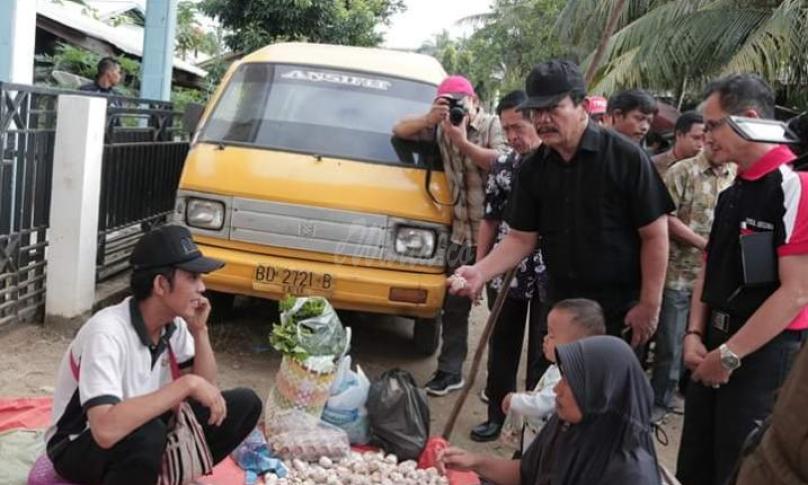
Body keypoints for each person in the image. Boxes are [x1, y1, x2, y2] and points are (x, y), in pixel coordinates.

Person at [452, 60, 674, 350]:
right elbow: (520, 238)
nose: (542, 119)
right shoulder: (533, 169)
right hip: (561, 306)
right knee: (558, 387)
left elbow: (655, 235)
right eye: (536, 111)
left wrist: (649, 305)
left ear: (581, 105)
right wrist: (480, 271)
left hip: (619, 308)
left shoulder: (626, 158)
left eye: (553, 108)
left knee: (605, 392)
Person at [45, 225, 262, 485]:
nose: (202, 287)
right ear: (161, 284)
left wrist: (200, 331)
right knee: (147, 434)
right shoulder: (107, 333)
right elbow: (104, 429)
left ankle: (164, 475)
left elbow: (207, 394)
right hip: (79, 445)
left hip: (142, 431)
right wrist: (186, 384)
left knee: (245, 405)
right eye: (193, 277)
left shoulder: (176, 324)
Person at [676, 74, 808, 485]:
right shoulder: (733, 189)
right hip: (713, 345)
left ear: (750, 119)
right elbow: (709, 264)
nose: (704, 137)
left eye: (713, 125)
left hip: (762, 354)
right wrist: (694, 333)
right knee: (696, 461)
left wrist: (730, 355)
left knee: (740, 465)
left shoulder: (794, 185)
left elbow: (797, 291)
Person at [393, 75, 507, 396]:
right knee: (454, 309)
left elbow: (502, 162)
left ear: (474, 102)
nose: (455, 107)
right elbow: (399, 130)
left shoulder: (491, 125)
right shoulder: (441, 127)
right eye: (448, 101)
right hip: (460, 234)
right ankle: (449, 371)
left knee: (502, 311)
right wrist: (430, 119)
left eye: (460, 100)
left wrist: (462, 142)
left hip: (499, 237)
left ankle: (499, 381)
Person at [437, 336, 661, 485]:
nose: (557, 389)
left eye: (570, 382)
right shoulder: (564, 424)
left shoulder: (630, 474)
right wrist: (475, 462)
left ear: (600, 395)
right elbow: (527, 473)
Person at [470, 90, 547, 442]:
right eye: (507, 129)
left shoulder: (556, 166)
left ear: (537, 120)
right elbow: (490, 218)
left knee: (543, 354)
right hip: (506, 270)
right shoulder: (503, 165)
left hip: (549, 274)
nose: (514, 136)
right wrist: (480, 265)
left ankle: (532, 427)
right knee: (502, 346)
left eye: (519, 126)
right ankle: (496, 417)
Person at [650, 147, 735, 423]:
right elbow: (666, 218)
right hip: (678, 274)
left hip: (714, 278)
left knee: (702, 341)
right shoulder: (682, 171)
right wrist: (705, 245)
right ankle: (659, 402)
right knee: (671, 344)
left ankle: (688, 395)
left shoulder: (734, 174)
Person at [500, 298, 606, 454]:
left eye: (552, 335)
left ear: (575, 346)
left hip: (547, 447)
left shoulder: (566, 378)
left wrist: (514, 400)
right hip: (537, 439)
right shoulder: (558, 368)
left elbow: (542, 404)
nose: (545, 339)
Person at [652, 111, 706, 176]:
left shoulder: (705, 169)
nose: (701, 145)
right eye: (696, 138)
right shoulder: (654, 165)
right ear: (679, 135)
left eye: (704, 139)